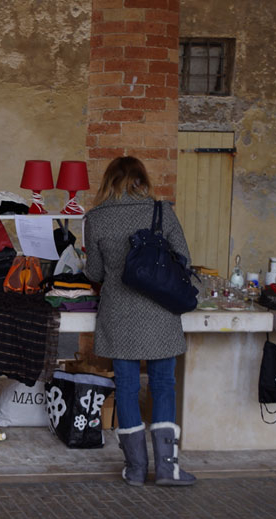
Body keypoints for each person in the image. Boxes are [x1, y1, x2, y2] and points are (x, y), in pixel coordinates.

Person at [84, 156, 196, 487]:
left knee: (128, 389)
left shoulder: (96, 218)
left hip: (119, 315)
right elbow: (184, 259)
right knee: (163, 385)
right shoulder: (161, 211)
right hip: (161, 312)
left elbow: (95, 273)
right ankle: (167, 469)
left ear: (109, 181)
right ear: (141, 179)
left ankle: (134, 469)